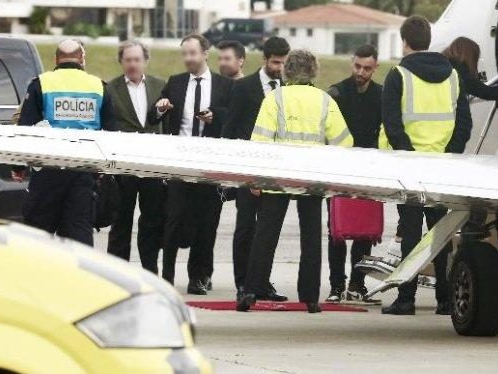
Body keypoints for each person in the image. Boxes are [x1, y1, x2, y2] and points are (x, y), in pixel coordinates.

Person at [237, 49, 353, 314]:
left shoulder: (274, 98)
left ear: (285, 70)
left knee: (265, 234)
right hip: (311, 178)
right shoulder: (324, 101)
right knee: (311, 236)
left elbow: (260, 141)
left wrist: (256, 177)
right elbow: (345, 142)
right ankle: (311, 297)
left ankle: (251, 291)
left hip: (278, 176)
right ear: (313, 71)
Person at [380, 16, 472, 316]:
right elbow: (464, 124)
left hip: (410, 167)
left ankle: (406, 298)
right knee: (440, 234)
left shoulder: (398, 76)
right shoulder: (454, 75)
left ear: (404, 41)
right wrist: (448, 155)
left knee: (409, 234)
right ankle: (445, 299)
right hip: (441, 166)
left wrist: (409, 157)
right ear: (429, 40)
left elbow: (392, 125)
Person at [147, 34, 233, 294]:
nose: (188, 59)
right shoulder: (175, 82)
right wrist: (161, 108)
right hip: (180, 163)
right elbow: (153, 116)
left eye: (193, 53)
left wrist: (214, 117)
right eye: (184, 54)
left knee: (206, 224)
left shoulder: (224, 85)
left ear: (205, 53)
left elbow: (232, 119)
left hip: (209, 163)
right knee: (173, 221)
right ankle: (168, 276)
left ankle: (199, 277)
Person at [15, 39, 117, 246]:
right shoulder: (98, 86)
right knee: (77, 237)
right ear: (82, 59)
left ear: (56, 59)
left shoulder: (41, 83)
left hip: (47, 172)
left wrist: (18, 166)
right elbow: (111, 134)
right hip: (83, 173)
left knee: (37, 236)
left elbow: (25, 129)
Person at [221, 36, 290, 302]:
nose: (279, 67)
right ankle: (243, 283)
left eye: (283, 63)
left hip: (277, 173)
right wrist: (234, 172)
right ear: (264, 59)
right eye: (275, 62)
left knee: (269, 231)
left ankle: (262, 282)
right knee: (246, 228)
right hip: (247, 171)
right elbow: (229, 130)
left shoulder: (288, 87)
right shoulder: (244, 87)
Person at [324, 44, 382, 303]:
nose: (361, 72)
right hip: (338, 168)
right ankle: (336, 286)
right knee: (336, 230)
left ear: (375, 67)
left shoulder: (381, 95)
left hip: (369, 170)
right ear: (351, 62)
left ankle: (357, 285)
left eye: (367, 68)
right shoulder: (337, 93)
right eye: (358, 66)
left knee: (364, 232)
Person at [105, 40, 167, 274]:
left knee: (151, 222)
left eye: (137, 59)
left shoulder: (160, 86)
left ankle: (149, 271)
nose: (132, 64)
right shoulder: (110, 89)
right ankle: (116, 272)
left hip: (152, 165)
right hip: (123, 167)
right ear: (121, 62)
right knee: (121, 221)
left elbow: (166, 125)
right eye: (128, 59)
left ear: (145, 61)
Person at [442, 36, 498, 102]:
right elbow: (488, 93)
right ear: (469, 56)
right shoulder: (457, 72)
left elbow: (474, 85)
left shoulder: (444, 65)